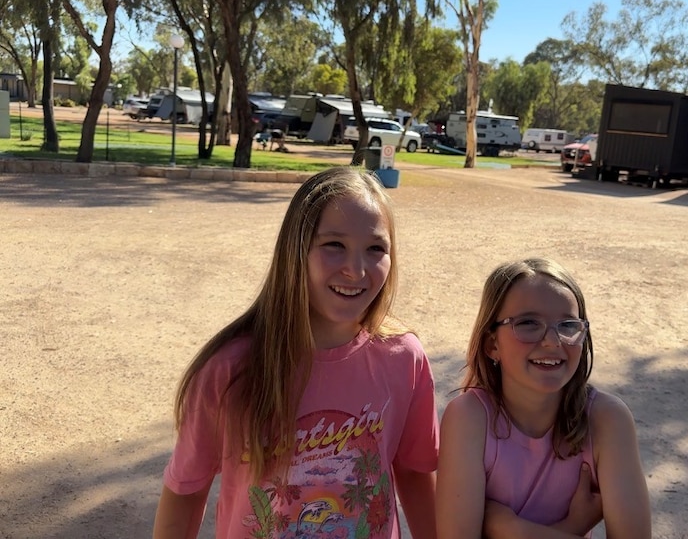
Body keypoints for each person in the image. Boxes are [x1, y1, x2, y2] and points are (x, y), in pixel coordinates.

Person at [153, 166, 439, 539]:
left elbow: (416, 471)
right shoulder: (230, 369)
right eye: (334, 245)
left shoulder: (404, 357)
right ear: (296, 249)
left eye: (376, 249)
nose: (356, 269)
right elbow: (186, 490)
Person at [436, 258, 651, 539]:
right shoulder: (469, 418)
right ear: (492, 345)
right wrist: (571, 528)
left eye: (568, 325)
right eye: (528, 323)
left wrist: (511, 529)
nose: (552, 341)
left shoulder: (607, 420)